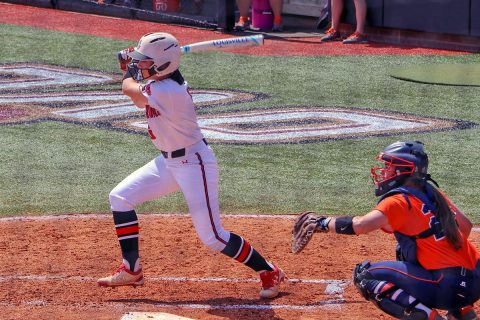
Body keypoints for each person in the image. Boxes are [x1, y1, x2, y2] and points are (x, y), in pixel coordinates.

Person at [97, 32, 285, 299]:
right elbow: (139, 85)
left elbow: (131, 91)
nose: (141, 65)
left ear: (163, 64)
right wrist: (136, 62)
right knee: (120, 197)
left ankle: (268, 270)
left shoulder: (167, 90)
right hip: (168, 161)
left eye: (145, 61)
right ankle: (132, 269)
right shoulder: (162, 80)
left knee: (213, 237)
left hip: (194, 164)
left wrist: (128, 69)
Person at [292, 141, 480, 319]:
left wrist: (321, 223)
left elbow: (361, 225)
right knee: (406, 251)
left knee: (365, 275)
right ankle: (462, 311)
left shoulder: (398, 201)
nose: (384, 171)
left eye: (390, 166)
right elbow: (466, 226)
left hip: (449, 287)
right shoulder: (431, 192)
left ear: (405, 170)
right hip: (475, 280)